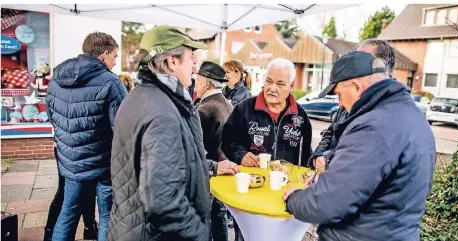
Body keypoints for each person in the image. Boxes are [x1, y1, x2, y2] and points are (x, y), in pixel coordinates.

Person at [283, 51, 436, 241]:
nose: (339, 104)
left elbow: (328, 203)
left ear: (356, 87)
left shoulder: (375, 125)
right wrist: (334, 163)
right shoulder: (411, 117)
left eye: (339, 94)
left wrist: (294, 198)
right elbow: (381, 173)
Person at [107, 26, 238, 241]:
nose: (195, 65)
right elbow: (163, 201)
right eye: (190, 57)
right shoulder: (162, 111)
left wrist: (213, 167)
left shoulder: (142, 96)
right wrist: (200, 233)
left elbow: (164, 163)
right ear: (172, 62)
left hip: (133, 227)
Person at [46, 32, 127, 241]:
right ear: (104, 54)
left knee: (68, 213)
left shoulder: (56, 79)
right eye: (115, 57)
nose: (115, 62)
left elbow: (52, 117)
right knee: (108, 216)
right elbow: (122, 127)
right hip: (104, 165)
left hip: (71, 163)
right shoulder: (111, 82)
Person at [310, 39, 396, 173]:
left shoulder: (389, 110)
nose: (353, 62)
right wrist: (318, 157)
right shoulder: (351, 98)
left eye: (361, 59)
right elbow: (331, 132)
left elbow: (365, 164)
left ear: (380, 67)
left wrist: (329, 163)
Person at [222, 57, 312, 167]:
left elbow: (306, 154)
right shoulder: (245, 108)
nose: (272, 88)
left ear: (291, 87)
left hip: (286, 181)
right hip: (252, 180)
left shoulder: (300, 115)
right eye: (269, 81)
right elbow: (227, 142)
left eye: (280, 84)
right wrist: (241, 155)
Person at [194, 61, 239, 241]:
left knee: (208, 217)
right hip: (225, 166)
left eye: (197, 80)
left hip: (212, 170)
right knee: (218, 213)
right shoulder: (225, 102)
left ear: (207, 83)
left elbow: (196, 146)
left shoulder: (205, 108)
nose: (194, 84)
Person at [43, 146, 98, 241]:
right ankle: (50, 233)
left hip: (71, 145)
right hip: (72, 147)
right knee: (65, 192)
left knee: (89, 189)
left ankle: (90, 228)